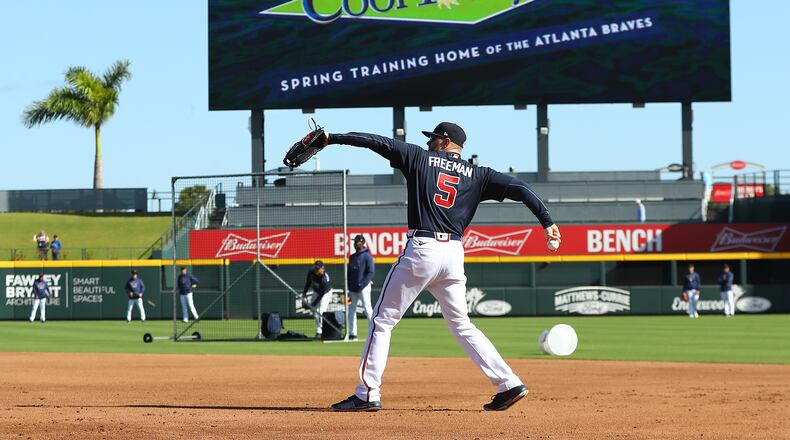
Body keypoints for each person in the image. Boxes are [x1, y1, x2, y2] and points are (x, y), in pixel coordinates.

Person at [323, 122, 560, 412]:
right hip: (454, 255)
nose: (429, 143)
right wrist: (547, 221)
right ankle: (508, 383)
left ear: (446, 142)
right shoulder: (478, 175)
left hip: (423, 248)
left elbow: (376, 141)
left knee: (382, 320)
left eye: (433, 138)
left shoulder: (419, 158)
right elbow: (521, 188)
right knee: (462, 325)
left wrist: (333, 138)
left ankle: (367, 392)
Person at [347, 234, 374, 341]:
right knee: (351, 311)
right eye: (354, 242)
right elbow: (349, 273)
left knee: (368, 309)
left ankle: (373, 333)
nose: (355, 243)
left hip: (364, 288)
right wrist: (349, 286)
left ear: (362, 243)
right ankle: (353, 334)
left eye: (357, 242)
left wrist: (362, 284)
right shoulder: (352, 257)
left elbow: (371, 272)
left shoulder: (367, 256)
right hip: (353, 289)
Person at [302, 260, 333, 340]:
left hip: (326, 293)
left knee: (321, 311)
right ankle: (319, 331)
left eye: (318, 268)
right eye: (315, 267)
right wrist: (304, 294)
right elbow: (308, 282)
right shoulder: (311, 272)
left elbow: (321, 296)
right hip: (316, 291)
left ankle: (321, 332)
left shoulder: (325, 279)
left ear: (322, 268)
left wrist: (311, 305)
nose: (316, 269)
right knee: (314, 312)